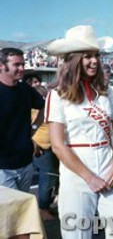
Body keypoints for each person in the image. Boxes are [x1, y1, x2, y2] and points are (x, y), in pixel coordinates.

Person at [45, 25, 113, 239]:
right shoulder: (57, 95)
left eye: (96, 55)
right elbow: (57, 145)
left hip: (109, 166)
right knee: (77, 233)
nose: (94, 61)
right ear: (73, 60)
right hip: (76, 171)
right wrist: (89, 177)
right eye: (87, 56)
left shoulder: (106, 91)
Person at [0, 47, 45, 192]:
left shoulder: (25, 90)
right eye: (16, 65)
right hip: (3, 167)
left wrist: (34, 128)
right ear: (1, 65)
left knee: (22, 209)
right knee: (9, 211)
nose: (21, 68)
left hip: (26, 162)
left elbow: (44, 107)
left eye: (23, 64)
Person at [32, 84, 59, 221]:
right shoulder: (34, 109)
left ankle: (46, 206)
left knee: (52, 177)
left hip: (51, 147)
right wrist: (33, 142)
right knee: (47, 178)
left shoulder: (49, 108)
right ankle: (43, 209)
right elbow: (28, 126)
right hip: (41, 148)